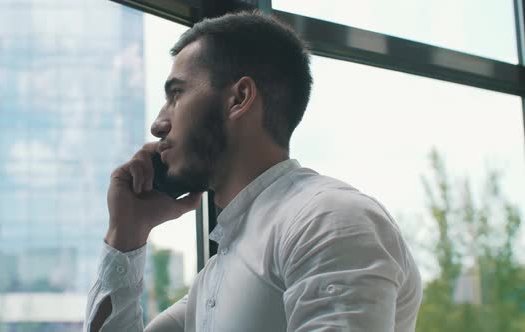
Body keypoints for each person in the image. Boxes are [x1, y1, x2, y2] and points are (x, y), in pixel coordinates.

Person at [84, 10, 422, 332]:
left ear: (239, 98)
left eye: (176, 94)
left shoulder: (327, 219)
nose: (158, 124)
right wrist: (126, 233)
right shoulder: (213, 280)